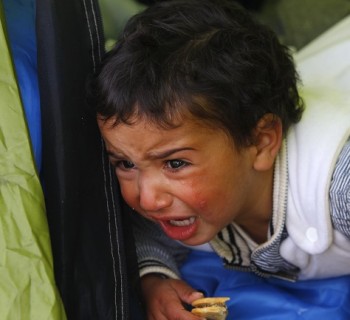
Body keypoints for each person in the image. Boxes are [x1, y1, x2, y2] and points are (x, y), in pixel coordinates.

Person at [89, 0, 350, 319]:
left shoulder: (338, 188)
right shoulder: (176, 199)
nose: (147, 198)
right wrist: (155, 278)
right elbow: (143, 230)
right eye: (125, 164)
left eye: (174, 164)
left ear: (261, 141)